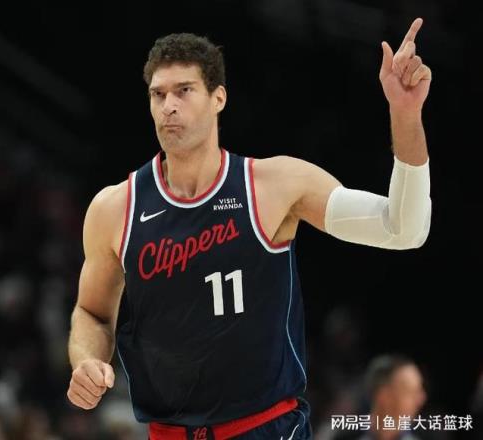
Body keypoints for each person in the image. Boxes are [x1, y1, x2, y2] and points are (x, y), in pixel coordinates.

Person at [67, 18, 432, 440]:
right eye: (158, 94)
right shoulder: (115, 208)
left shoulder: (273, 185)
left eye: (184, 91)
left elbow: (403, 229)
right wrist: (86, 359)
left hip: (267, 428)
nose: (169, 106)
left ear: (218, 98)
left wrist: (406, 114)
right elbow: (92, 313)